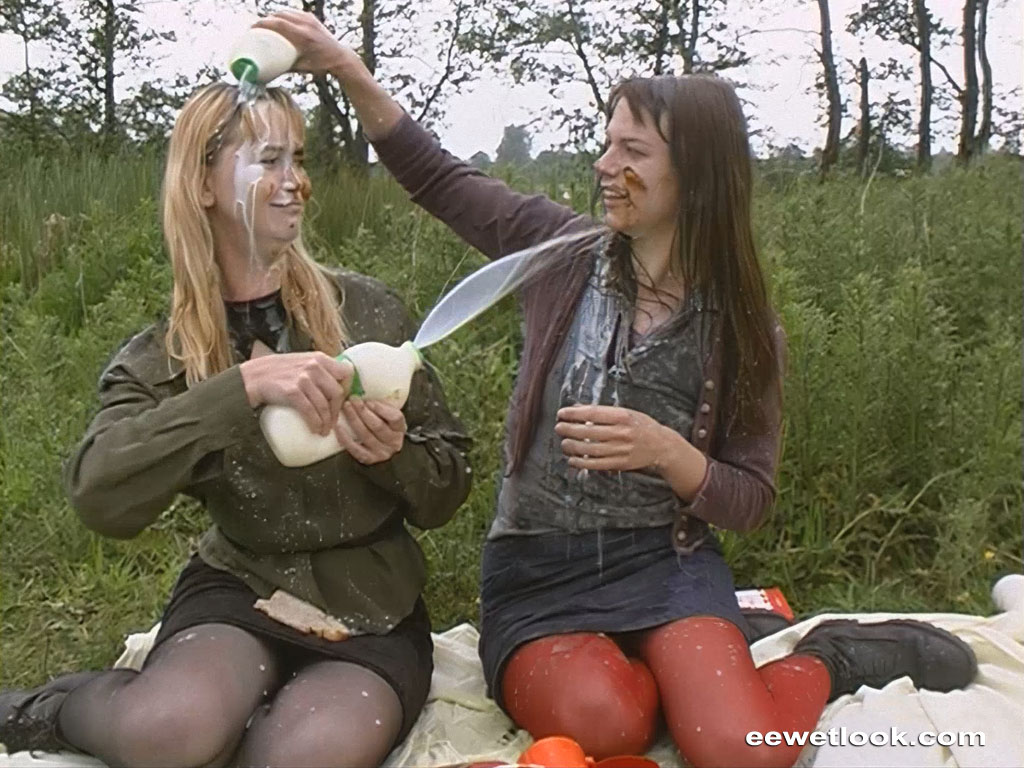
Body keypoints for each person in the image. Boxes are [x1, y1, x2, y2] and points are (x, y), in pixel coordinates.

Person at [264, 12, 974, 768]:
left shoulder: (742, 328)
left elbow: (750, 499)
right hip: (539, 572)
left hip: (666, 566)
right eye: (607, 144)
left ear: (696, 174)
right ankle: (700, 666)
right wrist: (347, 68)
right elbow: (438, 177)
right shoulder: (562, 254)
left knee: (741, 750)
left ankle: (829, 654)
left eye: (631, 151)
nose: (604, 165)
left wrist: (670, 453)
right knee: (606, 725)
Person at [0, 81, 472, 768]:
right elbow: (98, 494)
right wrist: (242, 388)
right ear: (203, 186)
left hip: (374, 605)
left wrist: (393, 455)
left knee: (303, 758)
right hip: (239, 589)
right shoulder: (166, 356)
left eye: (299, 160)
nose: (296, 182)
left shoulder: (368, 315)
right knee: (167, 730)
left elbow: (449, 487)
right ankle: (43, 710)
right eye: (269, 161)